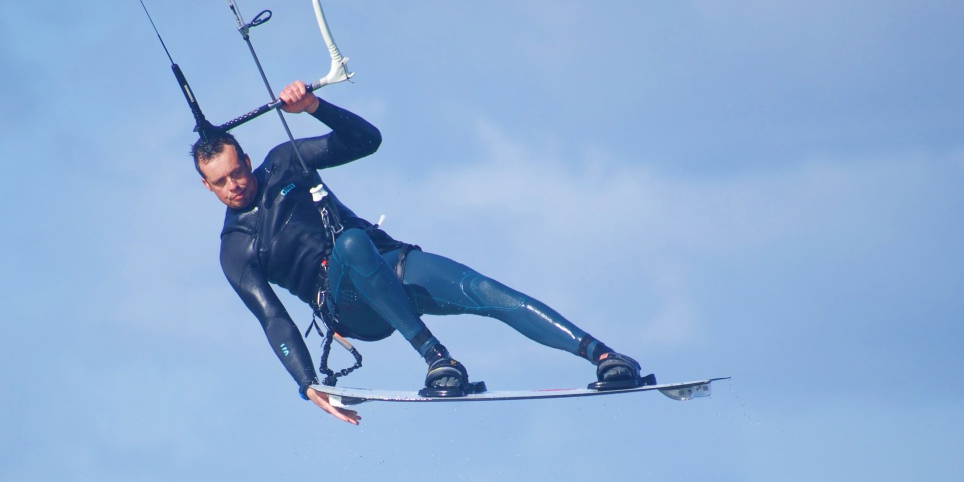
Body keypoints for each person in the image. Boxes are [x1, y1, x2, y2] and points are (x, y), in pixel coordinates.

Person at [195, 81, 648, 425]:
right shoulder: (236, 249)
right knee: (350, 244)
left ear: (248, 160)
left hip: (391, 262)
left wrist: (313, 107)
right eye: (221, 181)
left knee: (485, 291)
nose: (234, 185)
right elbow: (273, 319)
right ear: (207, 185)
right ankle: (437, 358)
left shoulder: (285, 161)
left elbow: (365, 141)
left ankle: (602, 356)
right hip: (349, 308)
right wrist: (306, 382)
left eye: (237, 171)